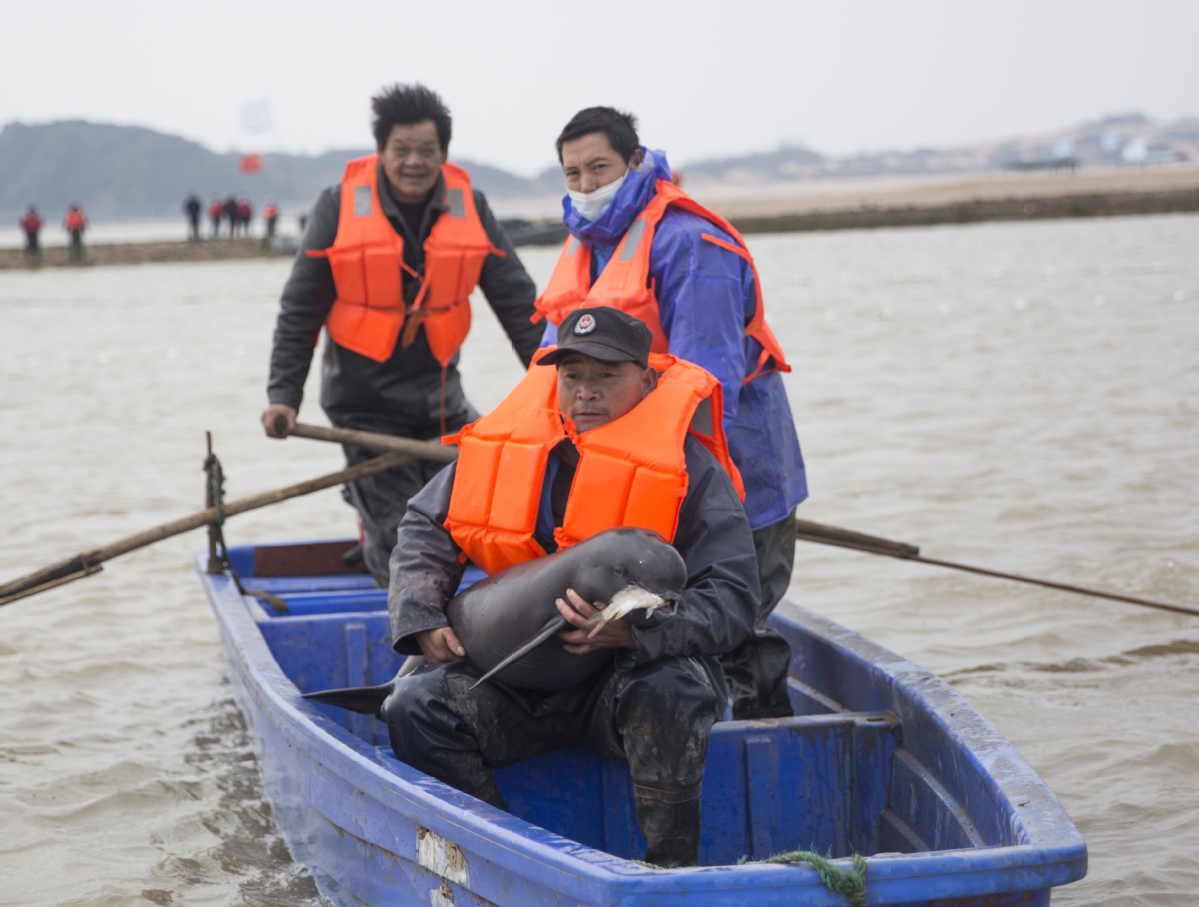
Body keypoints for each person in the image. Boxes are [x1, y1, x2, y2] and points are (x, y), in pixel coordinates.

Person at [386, 307, 759, 868]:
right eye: (573, 376)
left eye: (607, 376)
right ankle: (505, 860)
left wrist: (637, 636)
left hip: (620, 687)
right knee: (412, 706)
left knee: (675, 689)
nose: (586, 392)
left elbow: (733, 600)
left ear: (647, 381)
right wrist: (423, 617)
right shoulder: (508, 450)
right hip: (517, 685)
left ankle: (671, 871)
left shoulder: (692, 471)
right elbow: (423, 529)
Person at [535, 108, 807, 720]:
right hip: (635, 477)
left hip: (732, 464)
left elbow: (709, 383)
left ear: (635, 161)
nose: (585, 185)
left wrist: (684, 488)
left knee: (740, 625)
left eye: (598, 168)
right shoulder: (584, 247)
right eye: (572, 173)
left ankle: (759, 746)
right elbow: (550, 377)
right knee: (657, 632)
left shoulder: (691, 242)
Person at [262, 83, 542, 586]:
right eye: (402, 150)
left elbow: (520, 305)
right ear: (381, 151)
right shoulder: (338, 206)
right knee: (402, 537)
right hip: (363, 407)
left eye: (426, 151)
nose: (414, 162)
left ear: (444, 153)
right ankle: (410, 633)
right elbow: (300, 308)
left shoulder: (470, 206)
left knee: (497, 500)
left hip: (442, 404)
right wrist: (283, 396)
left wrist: (555, 385)